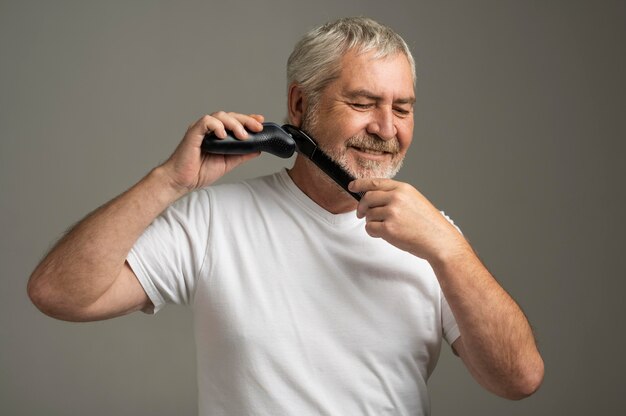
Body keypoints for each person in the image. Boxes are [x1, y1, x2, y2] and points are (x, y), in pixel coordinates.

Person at [28, 17, 544, 415]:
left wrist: (449, 249)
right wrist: (170, 180)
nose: (387, 128)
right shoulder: (214, 220)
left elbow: (518, 380)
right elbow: (59, 293)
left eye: (402, 108)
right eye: (364, 103)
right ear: (300, 106)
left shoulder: (435, 239)